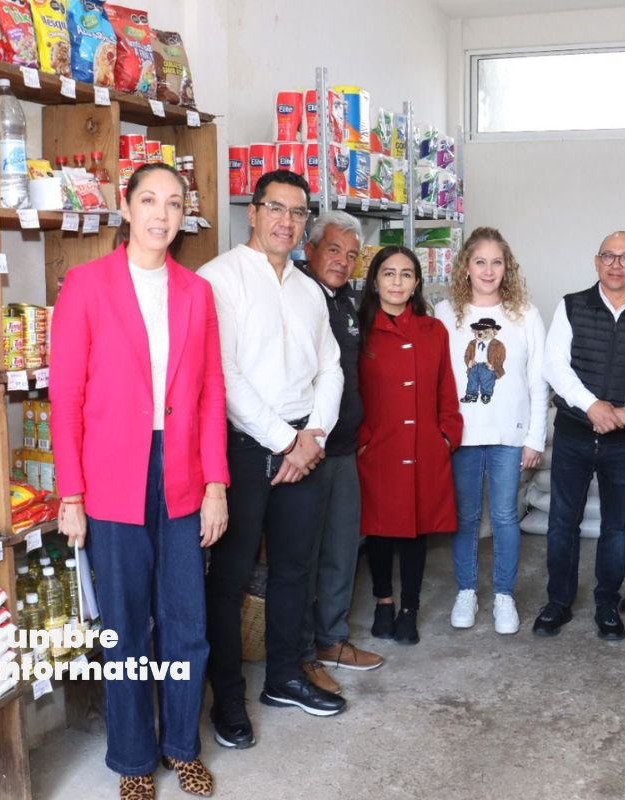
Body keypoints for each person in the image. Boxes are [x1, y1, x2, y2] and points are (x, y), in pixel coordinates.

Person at [51, 163, 227, 799]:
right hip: (111, 478)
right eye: (148, 200)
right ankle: (132, 758)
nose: (161, 213)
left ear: (185, 215)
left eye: (173, 203)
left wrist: (215, 485)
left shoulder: (195, 292)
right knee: (123, 625)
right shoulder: (87, 284)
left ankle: (182, 745)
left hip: (182, 473)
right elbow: (66, 395)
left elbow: (210, 393)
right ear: (125, 209)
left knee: (186, 622)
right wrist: (70, 494)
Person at [198, 169, 345, 746]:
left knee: (293, 570)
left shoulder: (311, 289)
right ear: (253, 212)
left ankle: (284, 676)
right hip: (244, 448)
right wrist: (286, 440)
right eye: (276, 209)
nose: (287, 221)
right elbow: (225, 375)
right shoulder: (220, 279)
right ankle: (226, 700)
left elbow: (330, 367)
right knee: (230, 579)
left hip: (305, 449)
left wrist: (315, 434)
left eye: (298, 212)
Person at [535, 231, 625, 640]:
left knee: (618, 526)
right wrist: (592, 406)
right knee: (563, 521)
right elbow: (555, 366)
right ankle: (558, 603)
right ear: (596, 262)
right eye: (609, 257)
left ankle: (606, 604)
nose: (617, 265)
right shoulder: (572, 306)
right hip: (575, 433)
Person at [434, 227, 547, 635]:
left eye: (496, 262)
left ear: (507, 268)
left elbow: (538, 380)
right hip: (461, 436)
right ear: (465, 267)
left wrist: (534, 437)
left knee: (503, 516)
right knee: (465, 519)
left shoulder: (525, 314)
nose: (488, 270)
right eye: (479, 261)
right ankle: (466, 590)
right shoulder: (447, 314)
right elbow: (437, 376)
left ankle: (504, 595)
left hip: (508, 436)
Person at [357, 246, 463, 645]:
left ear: (417, 282)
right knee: (381, 532)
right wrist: (362, 441)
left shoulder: (433, 330)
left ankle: (409, 609)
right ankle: (383, 602)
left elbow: (445, 389)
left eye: (405, 274)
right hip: (378, 447)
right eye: (389, 273)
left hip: (423, 446)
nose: (397, 282)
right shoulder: (361, 326)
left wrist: (446, 435)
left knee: (415, 532)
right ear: (375, 280)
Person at [297, 211, 384, 695]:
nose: (343, 261)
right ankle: (304, 654)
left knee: (341, 551)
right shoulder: (297, 296)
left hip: (345, 447)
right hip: (309, 450)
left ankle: (331, 640)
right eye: (333, 250)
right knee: (304, 558)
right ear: (309, 250)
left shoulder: (347, 301)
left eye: (352, 255)